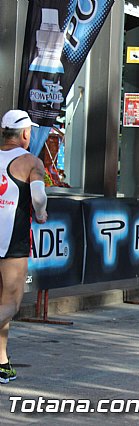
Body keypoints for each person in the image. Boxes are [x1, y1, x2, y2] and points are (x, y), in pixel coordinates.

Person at [0, 110, 47, 383]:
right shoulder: (30, 162)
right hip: (11, 241)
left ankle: (2, 361)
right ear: (26, 134)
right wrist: (40, 215)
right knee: (11, 304)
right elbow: (38, 197)